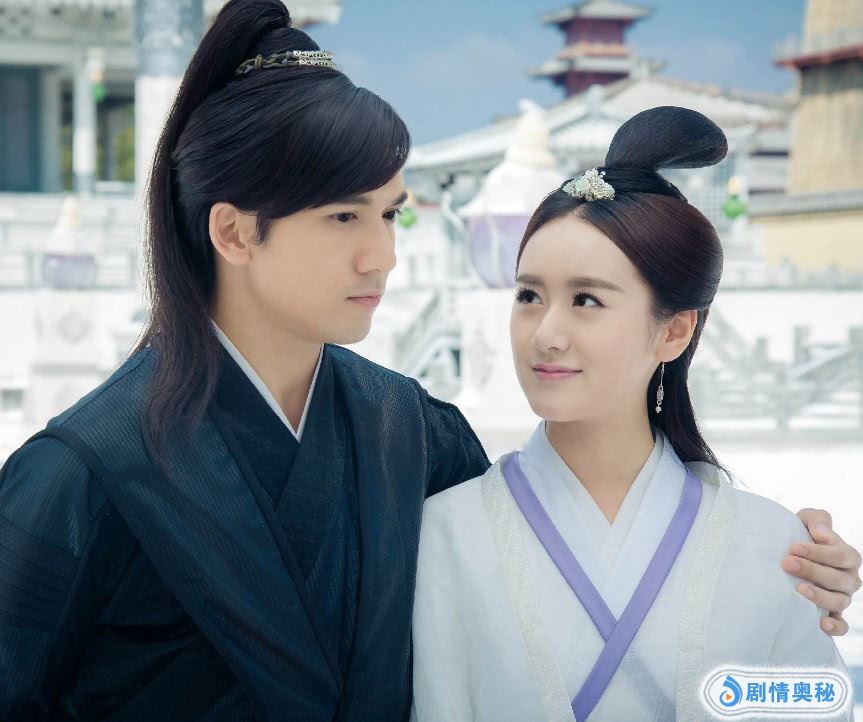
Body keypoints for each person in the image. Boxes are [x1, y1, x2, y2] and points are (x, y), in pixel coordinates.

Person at [0, 2, 857, 719]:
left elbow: (531, 564)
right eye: (344, 217)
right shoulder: (81, 474)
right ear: (234, 232)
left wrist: (766, 564)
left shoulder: (410, 436)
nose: (383, 256)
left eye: (390, 215)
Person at [411, 107, 856, 721]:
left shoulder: (773, 545)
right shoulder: (446, 533)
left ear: (674, 331)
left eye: (587, 300)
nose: (546, 334)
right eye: (529, 295)